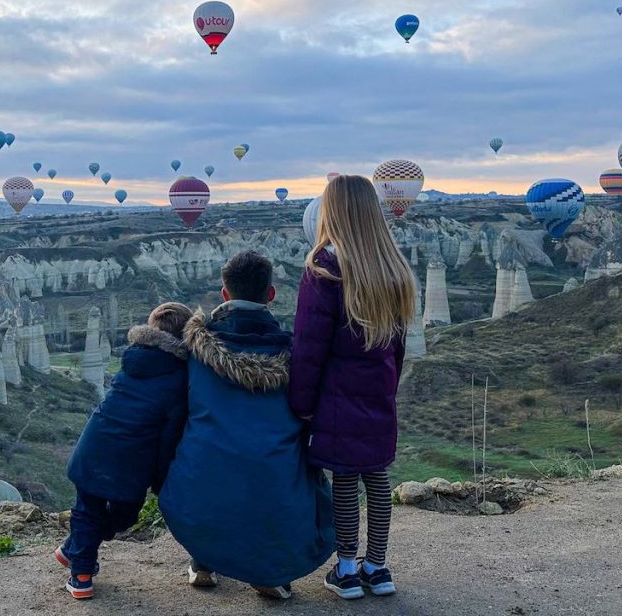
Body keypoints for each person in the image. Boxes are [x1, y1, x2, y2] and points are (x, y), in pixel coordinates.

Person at [160, 250, 335, 600]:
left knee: (205, 461)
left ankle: (203, 558)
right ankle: (270, 571)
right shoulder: (294, 353)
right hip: (275, 479)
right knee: (292, 478)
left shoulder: (196, 348)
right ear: (270, 295)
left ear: (225, 294)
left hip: (203, 479)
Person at [289, 175, 417, 600]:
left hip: (337, 392)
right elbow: (398, 345)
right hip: (378, 387)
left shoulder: (325, 266)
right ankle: (377, 568)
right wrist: (388, 387)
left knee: (344, 477)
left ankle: (346, 569)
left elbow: (309, 345)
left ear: (333, 211)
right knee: (377, 476)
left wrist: (301, 403)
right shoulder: (391, 265)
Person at [57, 302, 193, 600]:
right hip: (128, 458)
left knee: (109, 514)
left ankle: (75, 547)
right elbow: (169, 440)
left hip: (97, 444)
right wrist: (161, 479)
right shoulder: (180, 380)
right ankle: (81, 574)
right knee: (98, 512)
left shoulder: (133, 358)